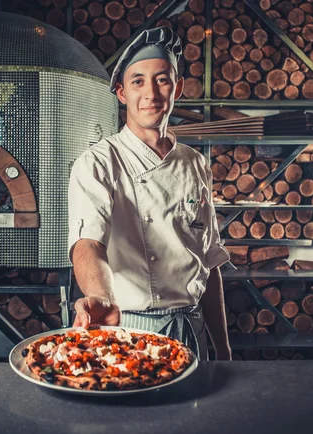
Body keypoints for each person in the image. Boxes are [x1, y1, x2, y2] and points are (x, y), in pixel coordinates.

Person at [67, 26, 232, 361]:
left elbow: (209, 260)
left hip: (192, 327)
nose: (151, 93)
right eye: (138, 81)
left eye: (162, 79)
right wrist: (100, 295)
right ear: (121, 93)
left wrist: (224, 349)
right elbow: (88, 245)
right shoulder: (98, 161)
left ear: (178, 87)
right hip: (130, 331)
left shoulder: (195, 163)